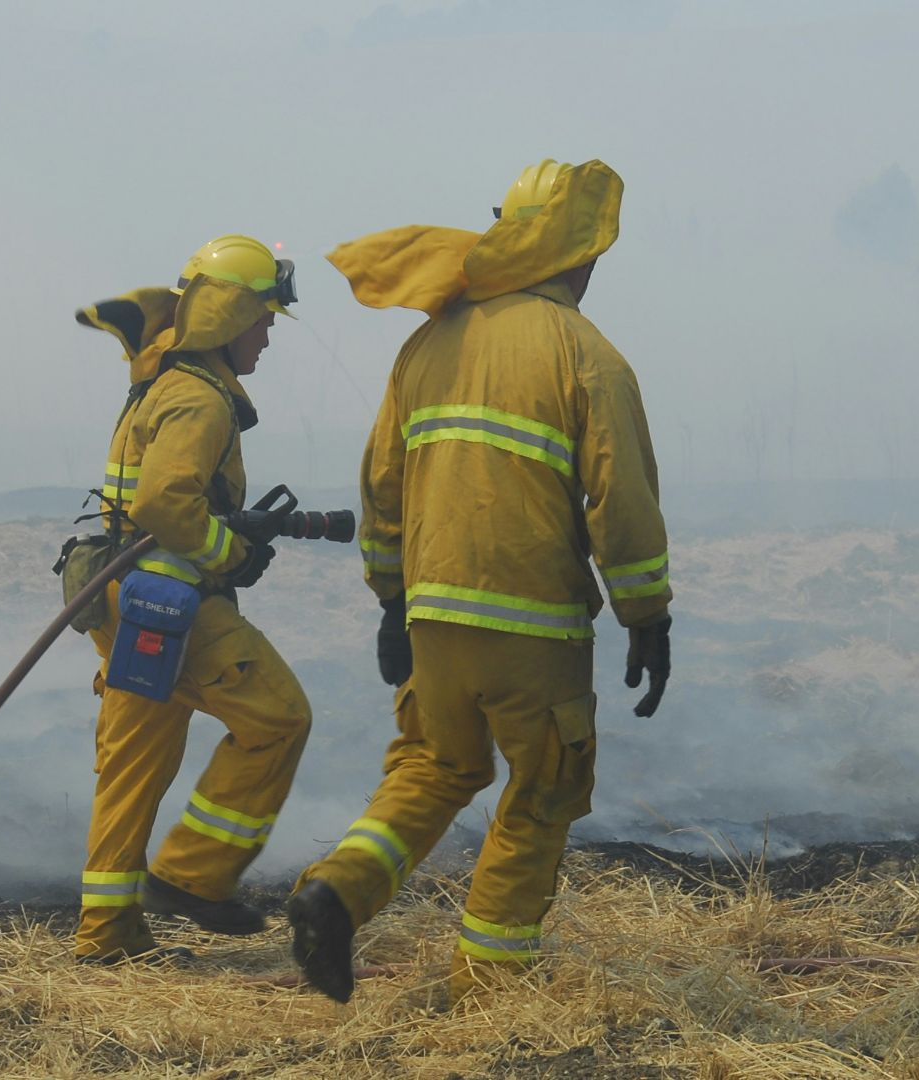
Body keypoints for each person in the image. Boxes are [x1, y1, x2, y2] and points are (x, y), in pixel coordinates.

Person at [287, 160, 673, 1003]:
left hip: (432, 617)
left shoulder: (428, 342)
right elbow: (623, 498)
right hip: (533, 625)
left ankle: (336, 891)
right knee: (543, 790)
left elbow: (381, 481)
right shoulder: (586, 353)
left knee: (432, 765)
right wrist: (648, 614)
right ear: (582, 254)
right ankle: (491, 993)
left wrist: (391, 598)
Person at [69, 234, 311, 964]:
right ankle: (192, 875)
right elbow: (167, 503)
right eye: (263, 319)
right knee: (278, 718)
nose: (268, 336)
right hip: (171, 607)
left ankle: (105, 938)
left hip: (123, 604)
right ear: (231, 316)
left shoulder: (163, 384)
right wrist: (231, 552)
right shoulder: (201, 401)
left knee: (133, 767)